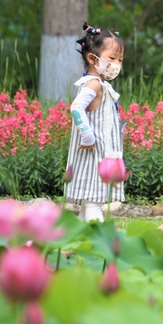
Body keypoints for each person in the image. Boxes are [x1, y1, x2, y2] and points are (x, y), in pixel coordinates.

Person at [65, 22, 126, 222]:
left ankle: (84, 243)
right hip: (94, 154)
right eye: (112, 58)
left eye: (120, 60)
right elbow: (76, 107)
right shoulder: (94, 84)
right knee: (94, 204)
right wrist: (88, 136)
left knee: (89, 202)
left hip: (99, 153)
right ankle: (102, 245)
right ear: (93, 58)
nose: (117, 64)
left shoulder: (100, 84)